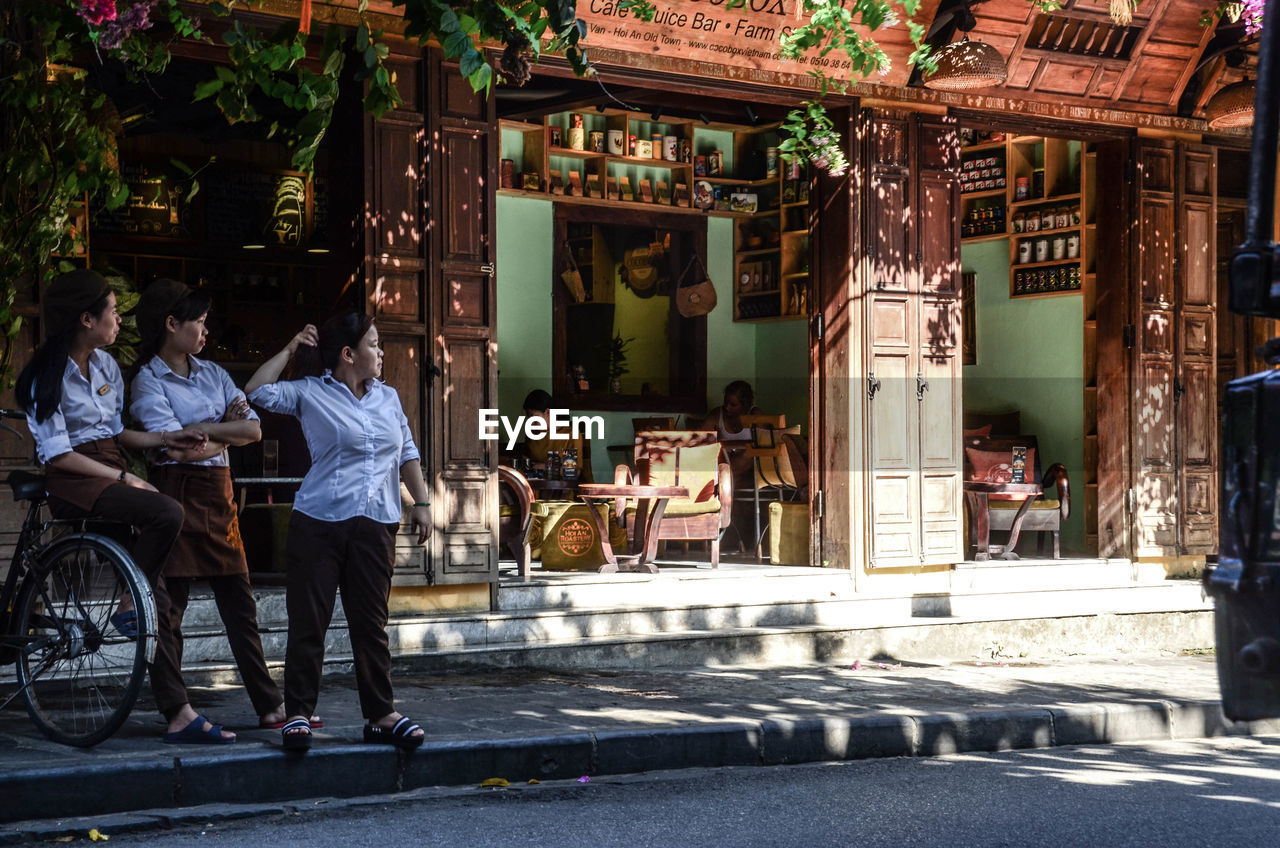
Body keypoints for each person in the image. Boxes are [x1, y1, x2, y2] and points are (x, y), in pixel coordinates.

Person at [16, 269, 235, 744]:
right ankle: (124, 602)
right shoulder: (43, 376)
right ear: (85, 318)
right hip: (73, 477)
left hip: (109, 465)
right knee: (166, 512)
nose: (119, 320)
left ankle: (178, 712)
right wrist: (124, 476)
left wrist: (164, 439)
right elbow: (57, 453)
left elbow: (115, 434)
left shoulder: (108, 368)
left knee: (154, 591)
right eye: (112, 311)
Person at [246, 314, 432, 752]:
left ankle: (381, 715)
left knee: (371, 623)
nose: (382, 353)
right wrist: (293, 346)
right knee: (310, 620)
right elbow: (255, 391)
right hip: (320, 523)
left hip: (375, 524)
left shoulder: (388, 398)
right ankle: (298, 713)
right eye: (374, 345)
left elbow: (406, 452)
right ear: (348, 354)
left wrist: (422, 503)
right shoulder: (310, 393)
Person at [129, 278, 300, 732]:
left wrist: (200, 429)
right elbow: (174, 449)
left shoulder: (213, 373)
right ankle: (176, 707)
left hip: (219, 495)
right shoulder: (146, 381)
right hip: (176, 495)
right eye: (199, 322)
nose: (206, 331)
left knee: (240, 605)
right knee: (170, 609)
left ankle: (269, 704)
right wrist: (220, 427)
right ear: (171, 324)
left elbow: (253, 431)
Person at [519, 388, 594, 483]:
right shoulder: (533, 434)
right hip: (533, 488)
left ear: (548, 412)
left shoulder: (569, 435)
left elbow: (572, 472)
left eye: (533, 417)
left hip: (561, 490)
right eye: (528, 417)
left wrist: (545, 467)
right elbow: (526, 460)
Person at [702, 380, 762, 483]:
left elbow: (763, 444)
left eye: (733, 405)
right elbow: (700, 439)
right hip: (723, 461)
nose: (727, 408)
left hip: (747, 464)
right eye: (726, 403)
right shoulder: (717, 414)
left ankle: (719, 483)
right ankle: (722, 484)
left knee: (748, 454)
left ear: (745, 406)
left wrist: (730, 446)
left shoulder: (755, 415)